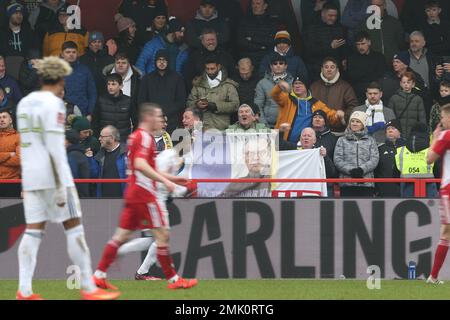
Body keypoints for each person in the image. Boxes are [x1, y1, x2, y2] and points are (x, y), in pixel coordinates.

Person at [15, 56, 120, 300]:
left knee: (32, 232)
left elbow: (28, 144)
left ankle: (24, 290)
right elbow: (53, 146)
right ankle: (88, 287)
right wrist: (61, 182)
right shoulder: (55, 105)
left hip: (31, 178)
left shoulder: (24, 104)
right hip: (53, 177)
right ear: (60, 80)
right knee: (74, 229)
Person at [93, 103, 198, 291]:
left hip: (134, 191)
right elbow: (142, 165)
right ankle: (173, 280)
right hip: (145, 194)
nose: (161, 121)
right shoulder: (144, 137)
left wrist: (176, 180)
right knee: (162, 234)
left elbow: (147, 168)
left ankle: (99, 275)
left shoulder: (135, 137)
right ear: (148, 118)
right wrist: (167, 183)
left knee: (121, 236)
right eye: (158, 117)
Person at [272, 75, 343, 144]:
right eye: (295, 84)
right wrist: (279, 86)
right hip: (283, 142)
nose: (297, 86)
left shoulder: (316, 103)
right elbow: (274, 95)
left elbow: (330, 115)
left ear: (306, 86)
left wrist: (337, 115)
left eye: (300, 83)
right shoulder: (287, 99)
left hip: (305, 145)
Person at [426, 102, 450, 284]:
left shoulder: (446, 135)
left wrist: (435, 137)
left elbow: (429, 159)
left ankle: (433, 276)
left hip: (449, 189)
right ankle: (433, 276)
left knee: (446, 232)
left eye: (443, 117)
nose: (442, 120)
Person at [138, 49, 186, 135]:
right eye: (159, 60)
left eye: (164, 60)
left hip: (172, 121)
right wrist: (154, 115)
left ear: (168, 61)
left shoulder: (177, 78)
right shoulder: (147, 79)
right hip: (151, 121)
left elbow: (181, 101)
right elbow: (141, 101)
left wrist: (166, 113)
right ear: (155, 61)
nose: (161, 62)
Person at [187, 55, 239, 131]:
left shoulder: (228, 85)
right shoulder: (198, 84)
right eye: (207, 69)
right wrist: (196, 104)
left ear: (218, 66)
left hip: (222, 128)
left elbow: (235, 105)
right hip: (201, 128)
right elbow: (189, 103)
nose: (210, 71)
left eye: (212, 69)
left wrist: (216, 106)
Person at [334, 111, 380, 197]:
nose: (354, 123)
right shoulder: (341, 140)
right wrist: (351, 171)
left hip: (366, 184)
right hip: (347, 184)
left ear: (363, 124)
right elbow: (338, 159)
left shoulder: (371, 140)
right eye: (352, 121)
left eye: (358, 121)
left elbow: (374, 159)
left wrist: (361, 170)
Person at [310, 57, 358, 133]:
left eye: (332, 67)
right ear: (322, 69)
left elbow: (353, 106)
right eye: (326, 67)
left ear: (337, 69)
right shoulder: (314, 86)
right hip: (316, 130)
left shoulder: (345, 87)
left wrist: (343, 116)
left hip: (337, 131)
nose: (329, 70)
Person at [302, 2, 348, 81]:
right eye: (330, 15)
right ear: (323, 13)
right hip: (317, 69)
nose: (333, 18)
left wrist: (344, 58)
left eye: (335, 16)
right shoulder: (312, 28)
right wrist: (330, 47)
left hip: (336, 69)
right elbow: (310, 51)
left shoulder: (340, 28)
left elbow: (343, 47)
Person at [396, 122, 438, 197]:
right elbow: (438, 172)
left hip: (406, 193)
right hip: (429, 193)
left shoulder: (401, 151)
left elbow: (394, 175)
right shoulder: (432, 151)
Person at [92, 73, 135, 143]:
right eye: (108, 84)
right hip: (105, 140)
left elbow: (135, 121)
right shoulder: (101, 100)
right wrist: (98, 138)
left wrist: (132, 139)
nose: (110, 87)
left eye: (113, 84)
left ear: (121, 86)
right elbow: (95, 122)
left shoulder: (128, 101)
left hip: (123, 140)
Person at [254, 53, 294, 128]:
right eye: (275, 64)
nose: (278, 65)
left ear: (286, 66)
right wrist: (264, 125)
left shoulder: (293, 82)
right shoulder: (262, 83)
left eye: (281, 63)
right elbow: (258, 106)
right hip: (268, 125)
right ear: (271, 67)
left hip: (288, 124)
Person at [346, 31, 387, 103]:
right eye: (358, 44)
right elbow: (351, 76)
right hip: (358, 94)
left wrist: (361, 75)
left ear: (369, 42)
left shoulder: (379, 57)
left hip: (375, 93)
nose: (360, 47)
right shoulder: (352, 58)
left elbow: (380, 75)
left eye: (363, 44)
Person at [360, 0, 405, 65]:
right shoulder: (363, 25)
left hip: (393, 65)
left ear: (385, 5)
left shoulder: (395, 23)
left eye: (379, 5)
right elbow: (359, 47)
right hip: (372, 65)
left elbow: (401, 45)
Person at [88, 125, 127, 198]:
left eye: (102, 136)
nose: (99, 139)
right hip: (104, 200)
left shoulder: (127, 153)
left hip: (123, 200)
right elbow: (94, 176)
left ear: (112, 138)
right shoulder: (99, 156)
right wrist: (90, 159)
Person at [237, 0, 279, 67]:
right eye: (253, 4)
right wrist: (261, 46)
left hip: (267, 57)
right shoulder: (244, 20)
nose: (255, 6)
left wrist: (252, 38)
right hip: (248, 56)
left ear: (265, 6)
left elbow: (272, 40)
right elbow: (241, 41)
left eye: (258, 4)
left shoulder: (272, 22)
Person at [61, 41, 97, 119]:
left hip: (83, 113)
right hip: (63, 113)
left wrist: (90, 113)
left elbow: (92, 92)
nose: (71, 54)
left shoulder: (85, 70)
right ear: (62, 54)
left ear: (77, 54)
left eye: (74, 52)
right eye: (68, 52)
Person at [387, 71, 427, 139]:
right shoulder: (394, 98)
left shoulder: (418, 99)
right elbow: (390, 118)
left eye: (408, 82)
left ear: (413, 84)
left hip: (413, 134)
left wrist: (422, 133)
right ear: (400, 83)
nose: (406, 84)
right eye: (404, 82)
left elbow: (422, 118)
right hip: (398, 134)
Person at [374, 119, 405, 197]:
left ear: (400, 131)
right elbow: (375, 171)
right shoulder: (380, 149)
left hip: (404, 190)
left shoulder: (408, 148)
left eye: (393, 128)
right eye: (388, 129)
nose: (390, 130)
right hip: (384, 192)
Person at [0, 109, 21, 197]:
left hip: (13, 182)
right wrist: (9, 154)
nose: (1, 120)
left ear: (11, 120)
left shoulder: (18, 137)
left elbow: (19, 160)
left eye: (4, 117)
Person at [65, 129, 90, 198]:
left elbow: (70, 176)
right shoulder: (79, 153)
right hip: (81, 195)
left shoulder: (72, 156)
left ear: (67, 141)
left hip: (76, 196)